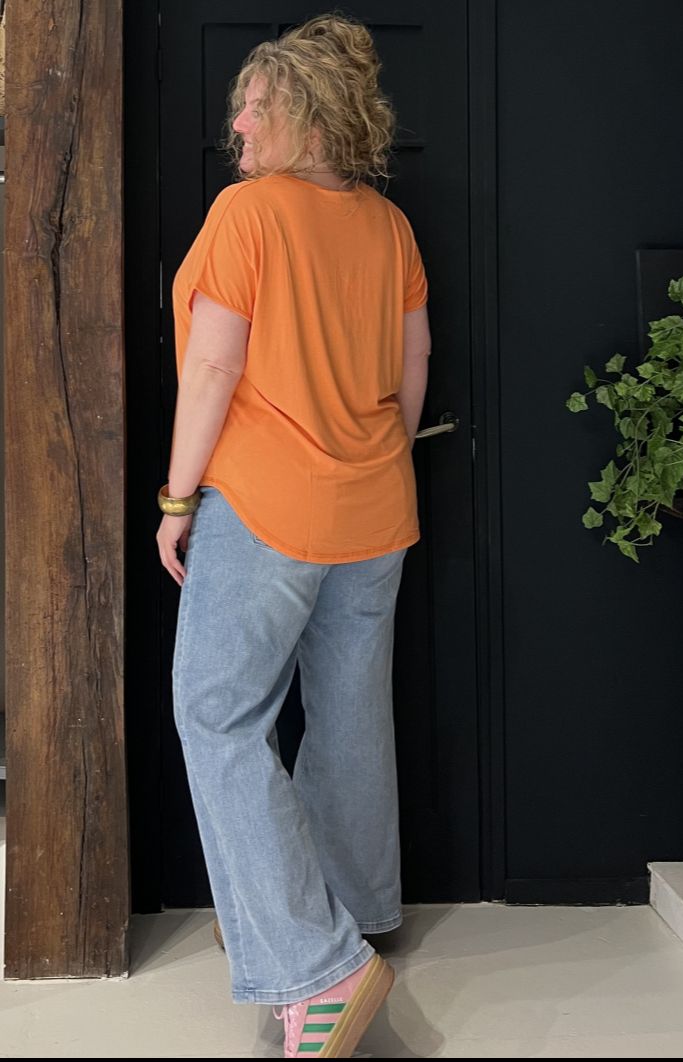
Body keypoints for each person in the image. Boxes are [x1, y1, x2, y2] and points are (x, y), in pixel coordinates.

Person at [155, 12, 431, 1058]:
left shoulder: (247, 213)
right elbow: (412, 369)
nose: (237, 121)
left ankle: (318, 969)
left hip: (267, 506)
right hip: (376, 508)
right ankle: (350, 916)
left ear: (307, 115)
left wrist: (177, 498)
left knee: (217, 715)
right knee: (350, 715)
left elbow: (213, 366)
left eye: (255, 105)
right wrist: (372, 457)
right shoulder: (390, 228)